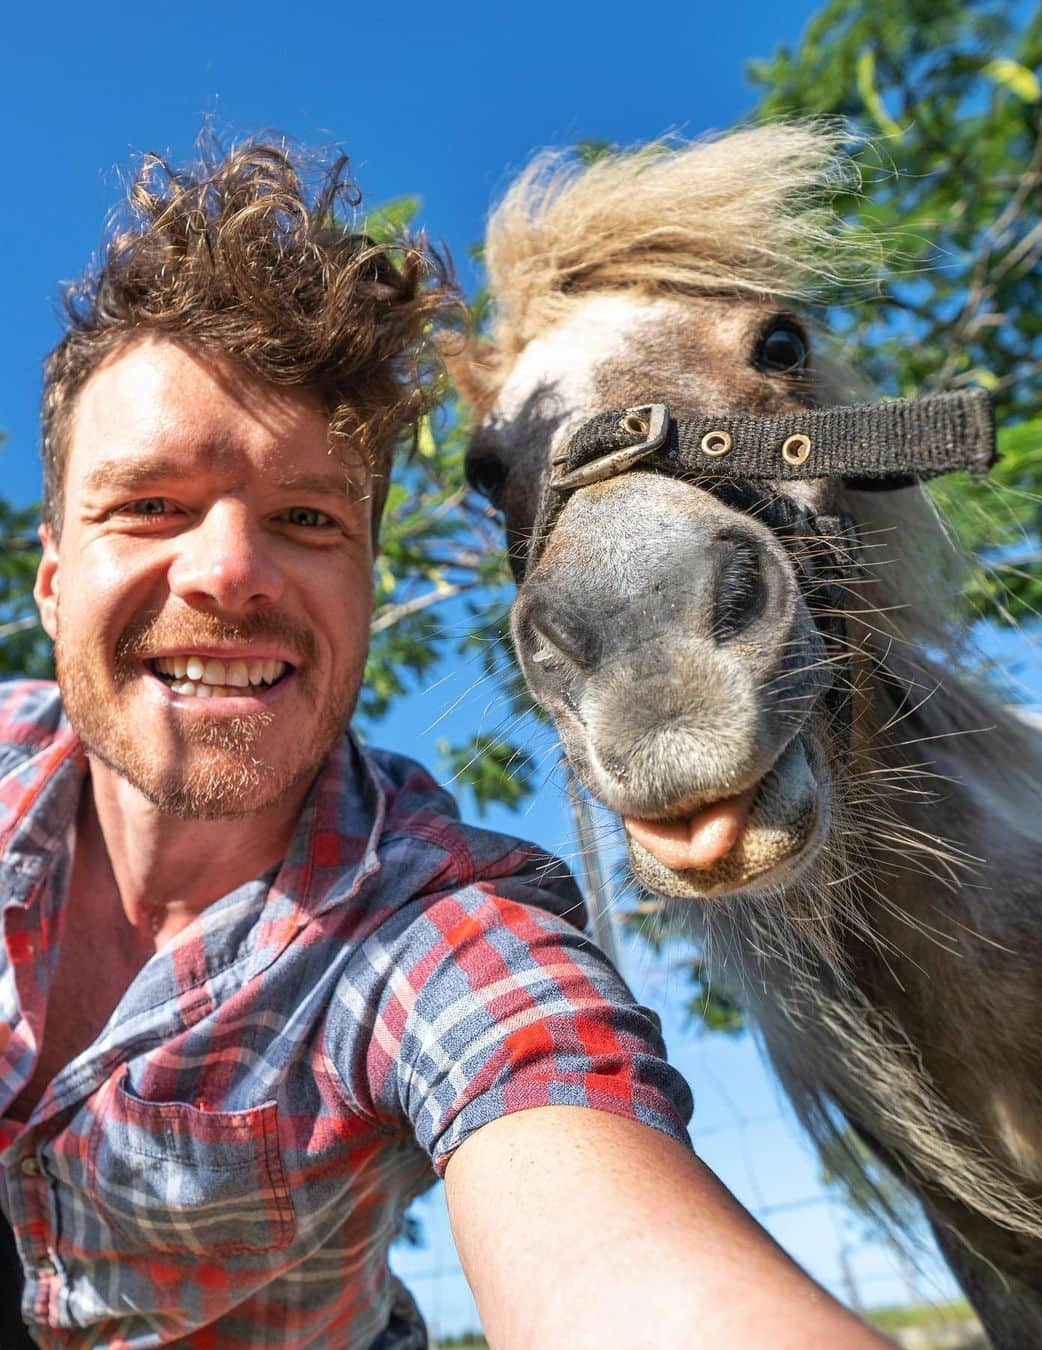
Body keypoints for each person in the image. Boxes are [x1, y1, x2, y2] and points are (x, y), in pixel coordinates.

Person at [0, 138, 888, 1348]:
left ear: (367, 582)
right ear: (52, 584)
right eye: (148, 506)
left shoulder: (441, 930)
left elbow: (582, 1172)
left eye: (307, 518)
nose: (228, 572)